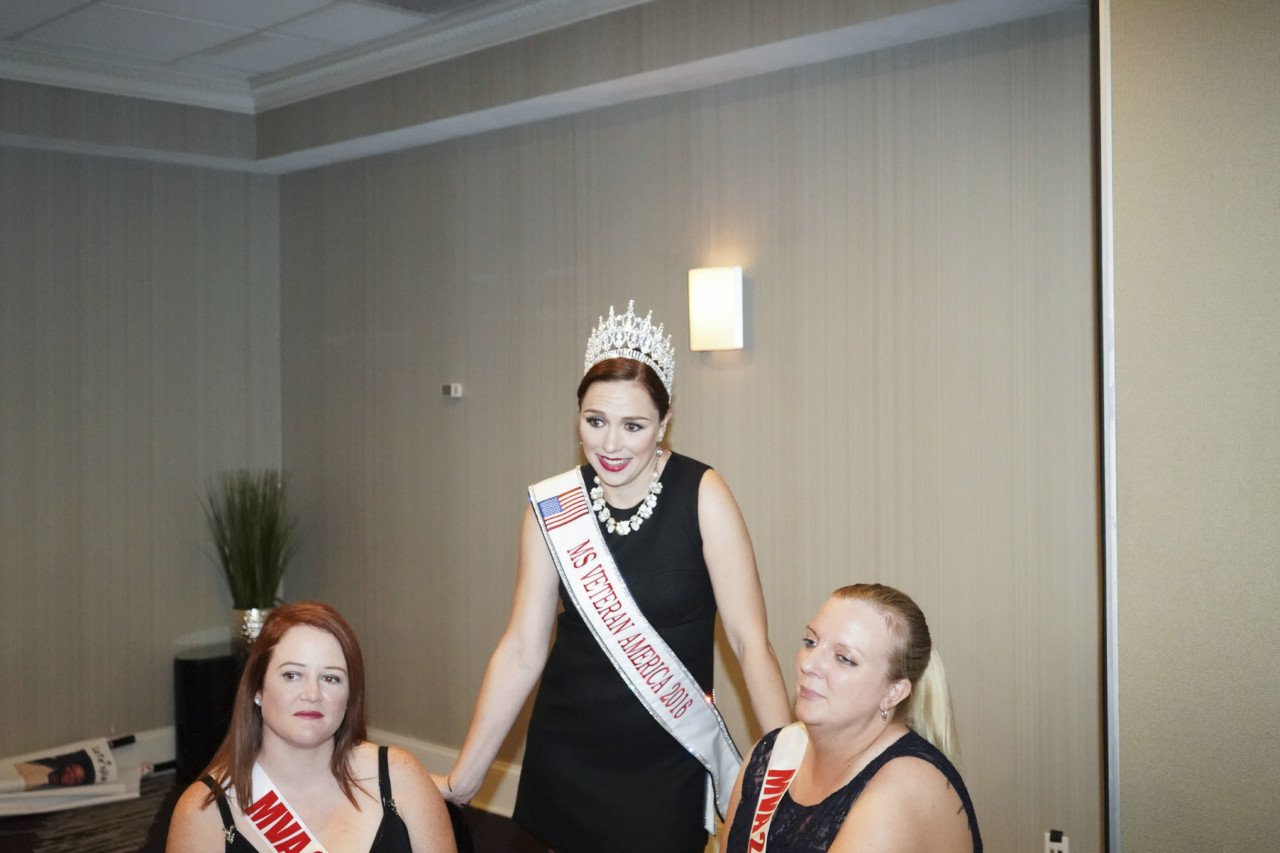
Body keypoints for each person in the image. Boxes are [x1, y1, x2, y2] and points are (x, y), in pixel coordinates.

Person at [434, 301, 792, 853]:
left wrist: (788, 776)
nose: (609, 445)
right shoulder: (554, 506)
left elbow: (750, 644)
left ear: (664, 423)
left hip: (666, 759)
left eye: (634, 426)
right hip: (566, 752)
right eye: (595, 421)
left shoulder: (702, 495)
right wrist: (465, 779)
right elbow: (522, 650)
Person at [167, 602, 457, 853]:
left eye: (331, 678)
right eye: (292, 675)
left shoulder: (400, 776)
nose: (312, 694)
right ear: (257, 688)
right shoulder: (202, 812)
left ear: (349, 698)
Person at [721, 583, 982, 853]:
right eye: (811, 642)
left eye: (844, 658)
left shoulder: (904, 787)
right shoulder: (770, 753)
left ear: (893, 693)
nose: (808, 665)